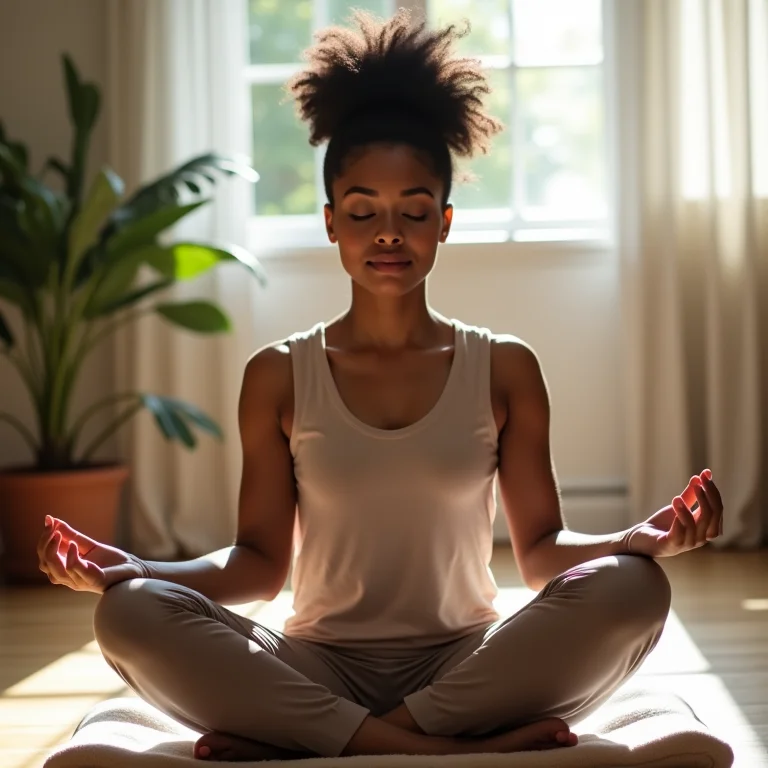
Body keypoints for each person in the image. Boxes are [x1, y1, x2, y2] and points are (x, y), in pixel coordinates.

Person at [37, 9, 724, 763]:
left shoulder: (504, 368)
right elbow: (259, 563)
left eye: (414, 211)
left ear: (446, 222)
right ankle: (448, 751)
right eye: (363, 211)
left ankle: (328, 742)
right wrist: (134, 569)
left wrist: (640, 539)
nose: (388, 233)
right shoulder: (277, 375)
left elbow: (538, 551)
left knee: (635, 589)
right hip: (315, 665)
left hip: (467, 663)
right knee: (130, 614)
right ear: (332, 223)